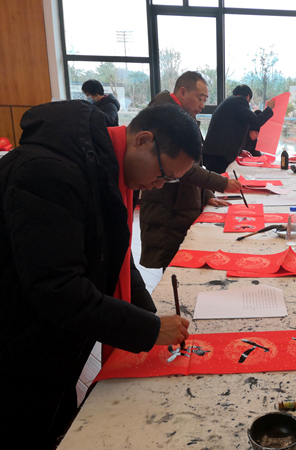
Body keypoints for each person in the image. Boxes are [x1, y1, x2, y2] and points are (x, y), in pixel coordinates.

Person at [0, 101, 198, 449]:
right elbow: (58, 289)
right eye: (163, 174)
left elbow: (114, 252)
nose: (158, 186)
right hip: (18, 341)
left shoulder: (104, 166)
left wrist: (148, 314)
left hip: (52, 340)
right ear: (143, 140)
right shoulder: (49, 172)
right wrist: (149, 329)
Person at [139, 71, 241, 269]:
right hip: (168, 208)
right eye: (200, 98)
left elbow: (196, 161)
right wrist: (222, 183)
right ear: (183, 92)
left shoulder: (183, 115)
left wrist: (206, 195)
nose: (202, 105)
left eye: (205, 100)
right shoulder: (164, 116)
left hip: (182, 203)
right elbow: (183, 168)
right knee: (173, 268)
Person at [203, 84, 275, 173]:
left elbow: (229, 130)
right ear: (248, 96)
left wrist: (239, 151)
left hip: (213, 153)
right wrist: (269, 108)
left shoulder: (230, 102)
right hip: (219, 156)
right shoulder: (239, 101)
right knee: (220, 180)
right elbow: (256, 122)